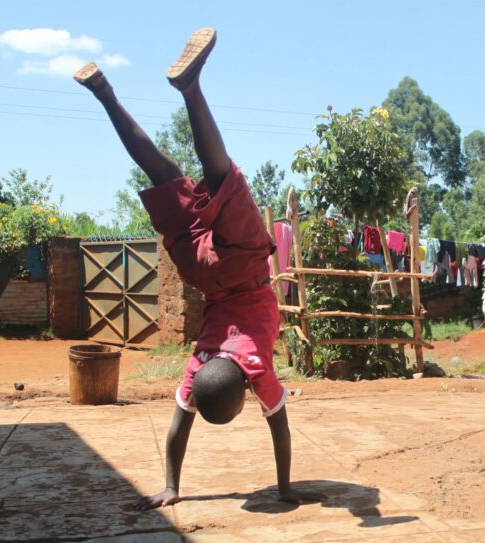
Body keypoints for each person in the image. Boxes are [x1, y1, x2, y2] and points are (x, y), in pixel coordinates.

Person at [74, 28, 324, 509]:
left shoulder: (257, 370)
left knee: (221, 179)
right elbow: (178, 428)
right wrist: (172, 483)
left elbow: (279, 430)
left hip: (241, 266)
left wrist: (176, 488)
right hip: (203, 271)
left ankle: (191, 90)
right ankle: (105, 93)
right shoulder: (198, 365)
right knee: (165, 177)